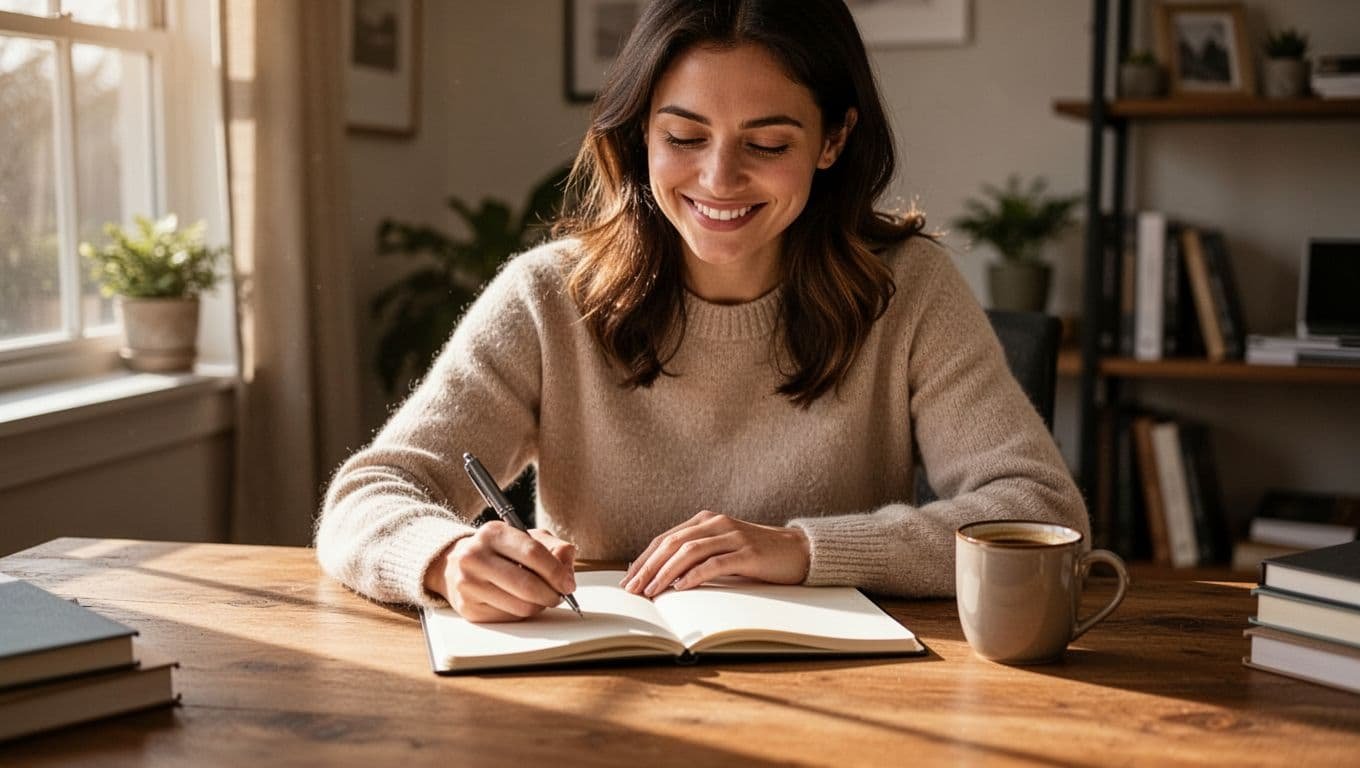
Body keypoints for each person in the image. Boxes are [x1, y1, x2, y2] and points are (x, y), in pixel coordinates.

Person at [316, 0, 1086, 622]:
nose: (719, 179)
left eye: (768, 144)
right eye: (684, 135)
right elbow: (369, 495)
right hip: (592, 689)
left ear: (833, 140)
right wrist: (445, 558)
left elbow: (1043, 512)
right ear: (641, 130)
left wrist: (803, 551)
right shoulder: (546, 295)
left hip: (843, 697)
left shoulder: (908, 290)